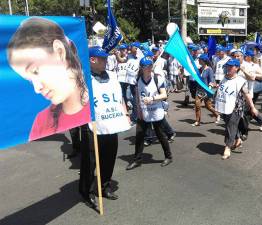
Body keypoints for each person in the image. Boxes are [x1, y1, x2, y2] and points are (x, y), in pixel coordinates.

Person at [7, 17, 90, 141]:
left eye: (35, 71)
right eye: (29, 80)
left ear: (59, 51)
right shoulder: (41, 122)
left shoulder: (97, 101)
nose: (37, 89)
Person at [79, 46, 131, 208]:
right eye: (102, 58)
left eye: (106, 58)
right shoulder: (83, 78)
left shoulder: (112, 75)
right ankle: (87, 192)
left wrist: (125, 113)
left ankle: (104, 186)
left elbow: (119, 96)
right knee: (91, 162)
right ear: (92, 60)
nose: (106, 60)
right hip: (92, 126)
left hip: (111, 123)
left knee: (109, 157)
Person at [126, 56, 173, 170]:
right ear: (141, 68)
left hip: (156, 111)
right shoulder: (137, 80)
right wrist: (137, 110)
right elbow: (137, 95)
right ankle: (137, 160)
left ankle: (168, 156)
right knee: (139, 136)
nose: (148, 68)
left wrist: (152, 99)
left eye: (149, 66)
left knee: (160, 135)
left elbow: (164, 95)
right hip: (143, 112)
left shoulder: (157, 78)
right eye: (145, 66)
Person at [215, 59, 258, 160]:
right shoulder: (224, 78)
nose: (228, 68)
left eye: (231, 66)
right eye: (227, 66)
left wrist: (252, 107)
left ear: (237, 68)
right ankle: (238, 139)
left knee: (230, 126)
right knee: (229, 125)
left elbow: (247, 95)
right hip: (224, 106)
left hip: (236, 109)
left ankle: (227, 147)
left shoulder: (241, 81)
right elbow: (222, 90)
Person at [191, 54, 219, 126]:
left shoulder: (209, 69)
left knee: (208, 106)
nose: (199, 61)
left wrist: (209, 88)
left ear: (204, 61)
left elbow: (212, 80)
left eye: (200, 59)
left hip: (206, 90)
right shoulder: (200, 69)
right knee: (197, 106)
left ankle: (217, 115)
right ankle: (197, 121)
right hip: (199, 90)